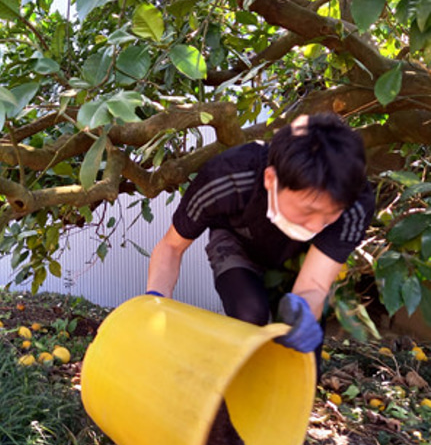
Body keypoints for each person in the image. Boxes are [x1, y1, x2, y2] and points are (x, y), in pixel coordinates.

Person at [145, 113, 375, 361]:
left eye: (329, 215)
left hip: (301, 257)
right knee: (249, 312)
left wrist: (302, 313)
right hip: (236, 241)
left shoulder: (355, 204)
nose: (318, 225)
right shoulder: (227, 177)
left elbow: (314, 285)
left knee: (302, 353)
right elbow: (171, 247)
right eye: (308, 210)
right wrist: (155, 303)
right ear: (271, 179)